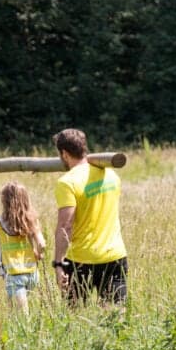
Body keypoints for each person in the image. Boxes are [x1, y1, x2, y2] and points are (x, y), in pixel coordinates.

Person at [49, 128, 128, 307]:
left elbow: (65, 226)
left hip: (82, 258)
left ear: (64, 154)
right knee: (115, 315)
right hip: (115, 255)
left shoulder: (67, 183)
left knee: (75, 315)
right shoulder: (111, 175)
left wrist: (58, 264)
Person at [0, 181, 47, 314]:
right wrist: (38, 253)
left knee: (21, 317)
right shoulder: (31, 221)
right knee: (16, 313)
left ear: (4, 201)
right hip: (33, 274)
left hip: (14, 276)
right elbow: (42, 244)